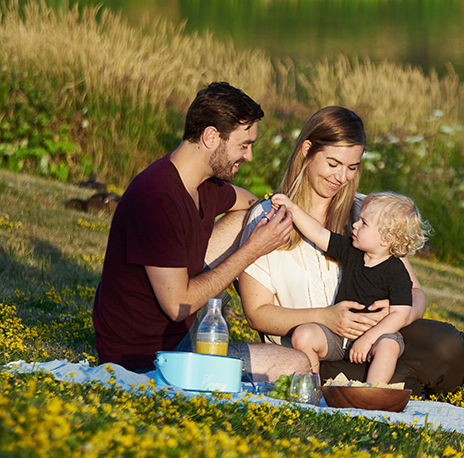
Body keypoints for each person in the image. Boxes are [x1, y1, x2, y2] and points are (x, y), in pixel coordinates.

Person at [238, 106, 464, 395]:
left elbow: (416, 295)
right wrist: (326, 316)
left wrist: (394, 315)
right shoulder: (268, 217)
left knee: (448, 345)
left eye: (352, 167)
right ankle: (381, 385)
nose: (342, 177)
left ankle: (380, 381)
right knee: (392, 373)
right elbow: (258, 314)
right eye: (333, 163)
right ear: (306, 151)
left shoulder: (368, 212)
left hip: (373, 341)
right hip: (316, 347)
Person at [91, 82, 309, 380]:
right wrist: (253, 250)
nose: (249, 157)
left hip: (185, 337)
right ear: (210, 137)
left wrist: (275, 211)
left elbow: (248, 202)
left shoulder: (204, 186)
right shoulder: (157, 198)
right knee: (296, 366)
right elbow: (177, 306)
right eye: (243, 145)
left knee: (247, 218)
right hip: (148, 359)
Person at [272, 191, 431, 384]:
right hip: (339, 335)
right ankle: (311, 386)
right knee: (303, 335)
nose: (355, 225)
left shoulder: (397, 271)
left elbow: (401, 314)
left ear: (386, 239)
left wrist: (369, 338)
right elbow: (318, 233)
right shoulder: (351, 250)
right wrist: (293, 209)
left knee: (389, 346)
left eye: (364, 223)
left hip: (377, 335)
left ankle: (371, 393)